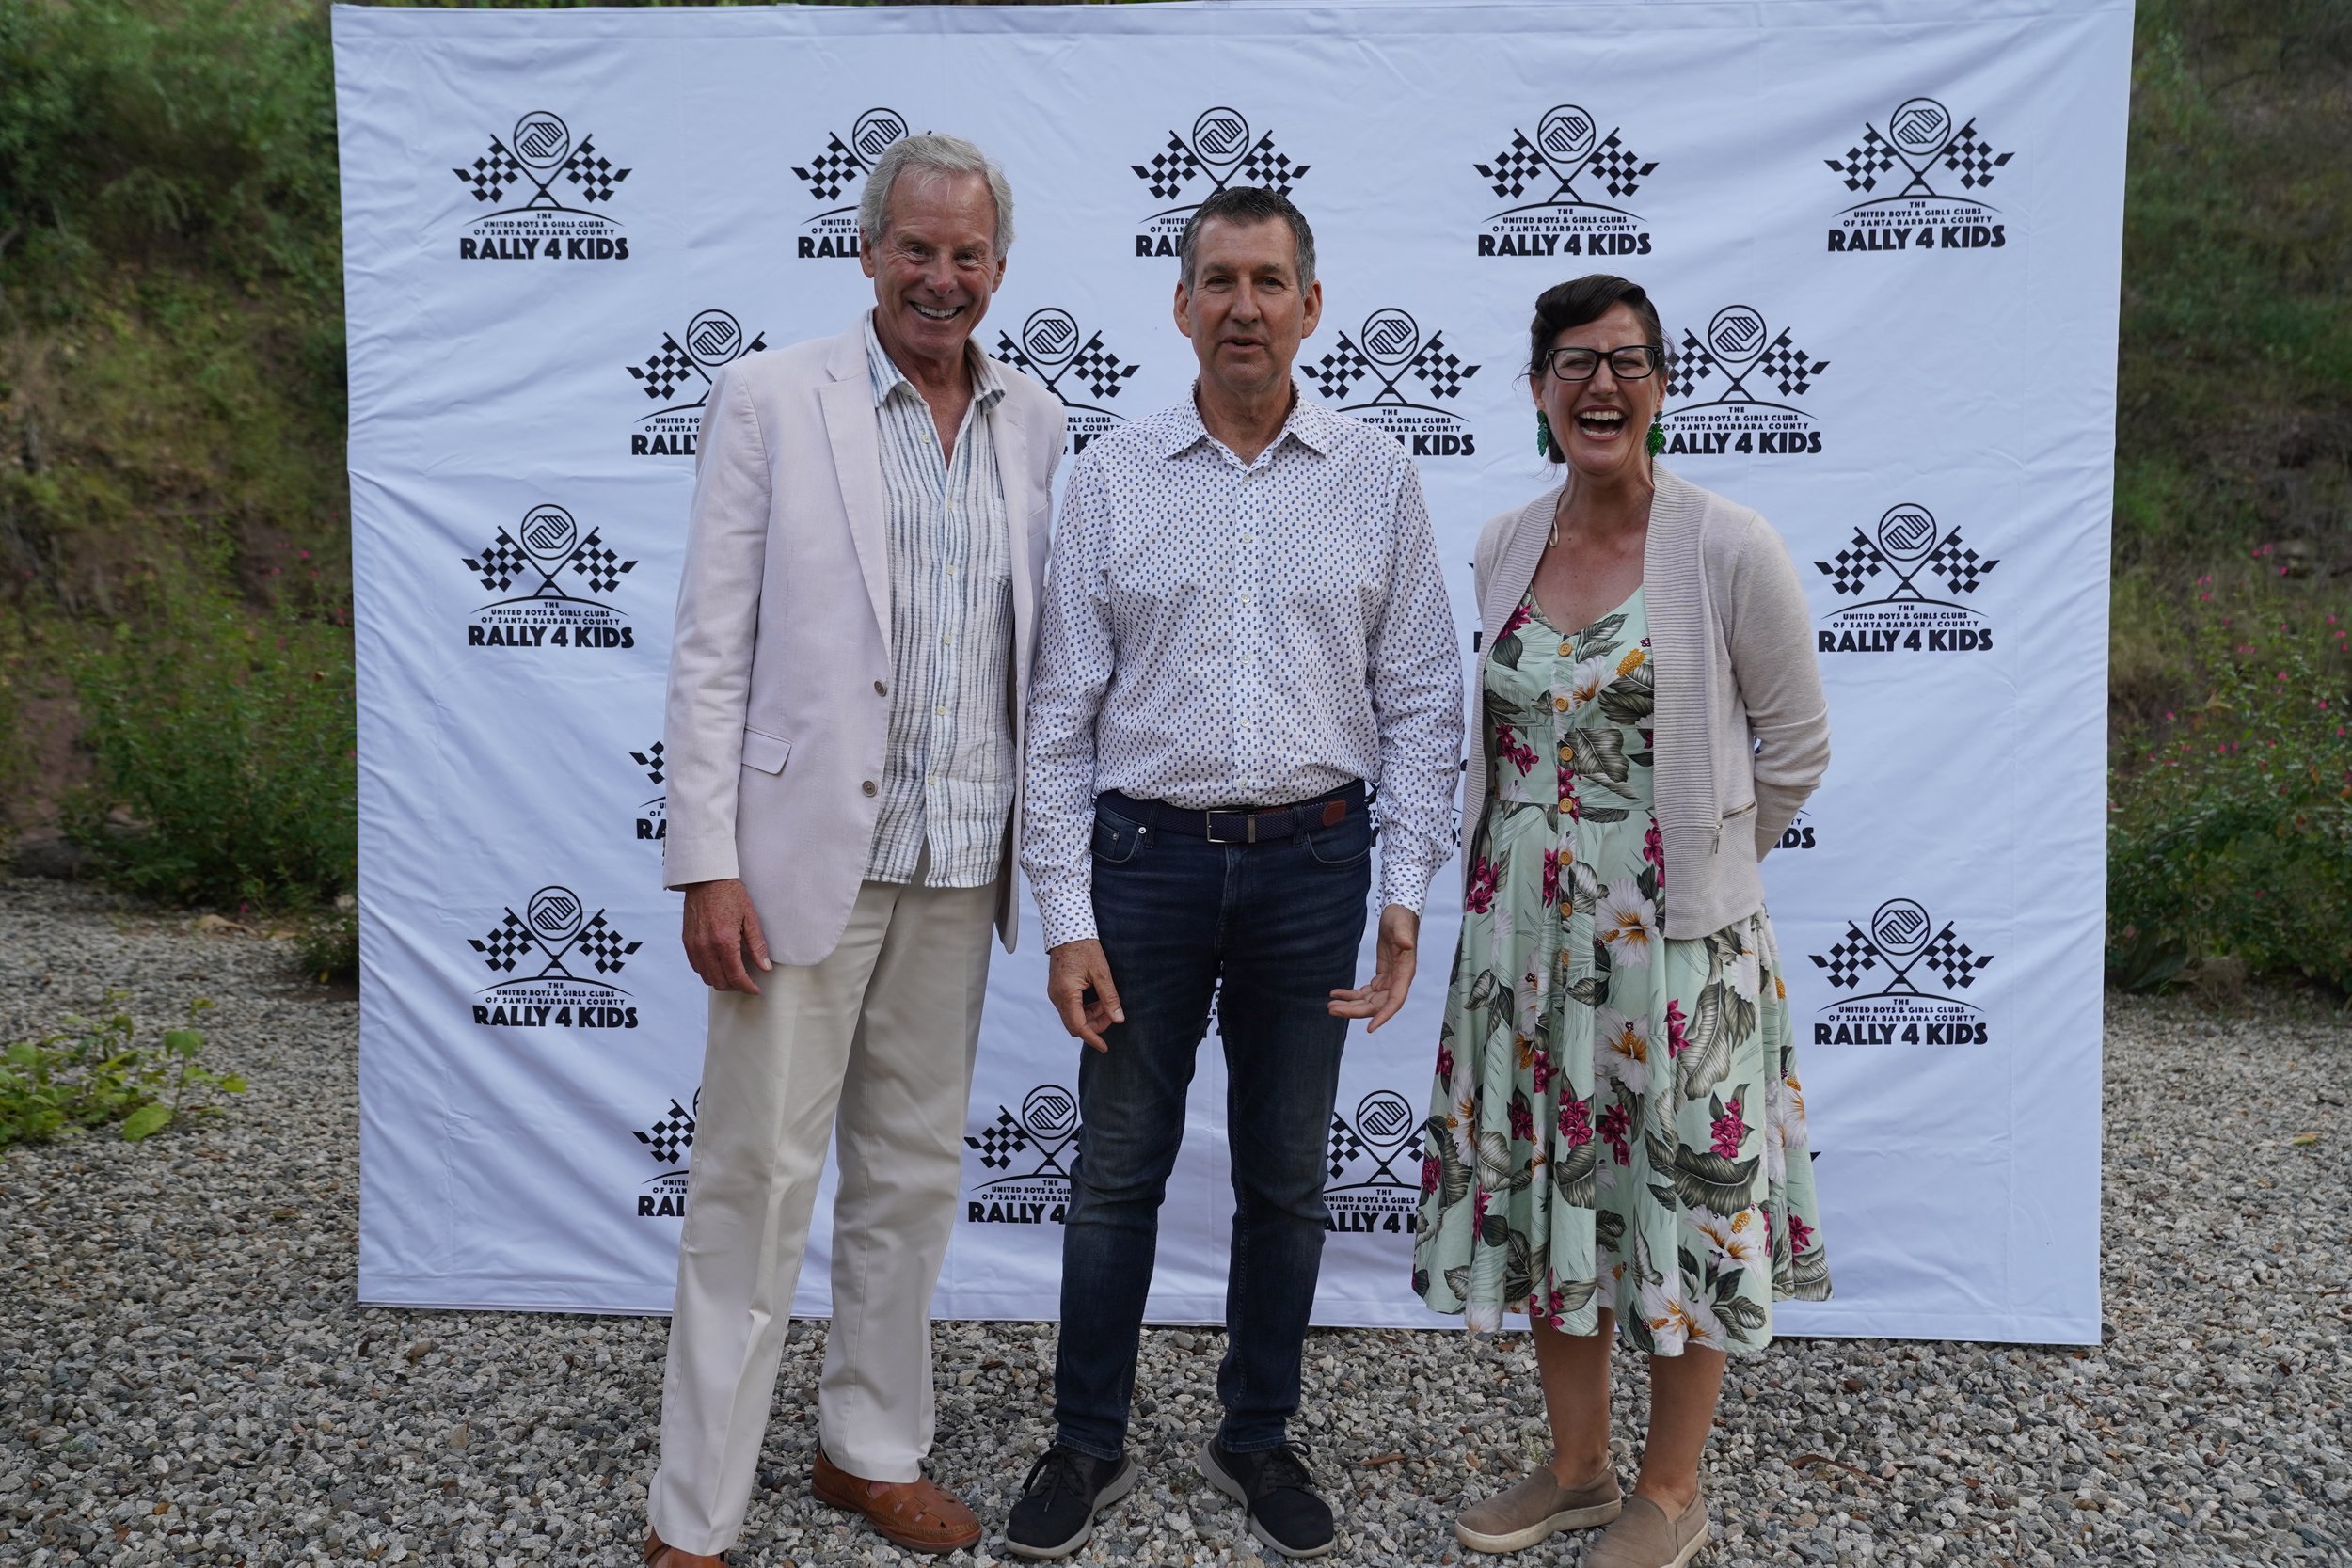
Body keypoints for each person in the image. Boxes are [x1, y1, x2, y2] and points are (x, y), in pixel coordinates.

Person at [1007, 185, 1464, 1560]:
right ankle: (1087, 1441)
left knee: (1287, 1180)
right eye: (1220, 281)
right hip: (1141, 868)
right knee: (1115, 1174)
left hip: (1314, 869)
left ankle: (1257, 1433)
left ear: (1312, 307)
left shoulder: (1378, 477)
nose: (1244, 307)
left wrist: (1402, 892)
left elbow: (1424, 702)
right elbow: (1058, 717)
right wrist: (1068, 916)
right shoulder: (1114, 476)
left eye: (1270, 282)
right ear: (1181, 305)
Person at [644, 134, 1066, 1567]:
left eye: (968, 254)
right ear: (868, 251)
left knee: (911, 1178)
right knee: (754, 1186)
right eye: (917, 249)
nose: (942, 277)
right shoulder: (772, 397)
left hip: (960, 858)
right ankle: (694, 1513)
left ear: (999, 268)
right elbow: (712, 647)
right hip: (794, 868)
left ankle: (869, 1449)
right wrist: (706, 861)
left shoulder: (1035, 422)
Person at [1413, 275, 1833, 1568]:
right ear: (1538, 386)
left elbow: (1797, 748)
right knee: (1559, 1198)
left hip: (1677, 955)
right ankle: (1581, 1471)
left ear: (1662, 385)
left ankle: (1672, 1490)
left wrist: (1688, 872)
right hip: (1521, 947)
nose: (1602, 385)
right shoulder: (1503, 543)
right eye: (1576, 362)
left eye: (1628, 361)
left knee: (1686, 1205)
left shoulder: (1728, 545)